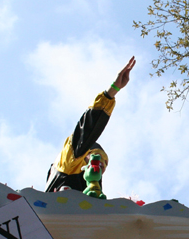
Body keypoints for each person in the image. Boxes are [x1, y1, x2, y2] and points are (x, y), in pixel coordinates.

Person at [45, 56, 135, 193]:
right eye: (97, 159)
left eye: (104, 163)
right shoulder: (69, 160)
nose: (101, 166)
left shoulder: (91, 183)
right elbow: (88, 127)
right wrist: (112, 91)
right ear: (86, 154)